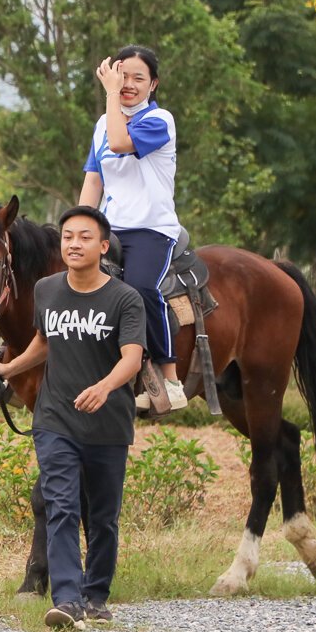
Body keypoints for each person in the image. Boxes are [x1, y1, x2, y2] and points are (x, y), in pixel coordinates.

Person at [0, 205, 146, 629]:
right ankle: (67, 599)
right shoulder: (47, 290)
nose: (74, 244)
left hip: (108, 423)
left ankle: (95, 594)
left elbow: (132, 357)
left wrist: (105, 387)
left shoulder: (124, 298)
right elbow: (44, 341)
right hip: (56, 419)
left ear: (102, 245)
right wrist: (9, 367)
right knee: (60, 504)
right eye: (68, 237)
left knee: (102, 516)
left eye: (84, 237)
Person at [78, 44, 187, 414]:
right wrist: (79, 225)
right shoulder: (101, 125)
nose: (127, 84)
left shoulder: (160, 120)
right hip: (111, 228)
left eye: (138, 78)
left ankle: (169, 379)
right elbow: (94, 180)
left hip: (150, 229)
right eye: (121, 75)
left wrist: (110, 94)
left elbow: (122, 142)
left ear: (152, 84)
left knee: (140, 289)